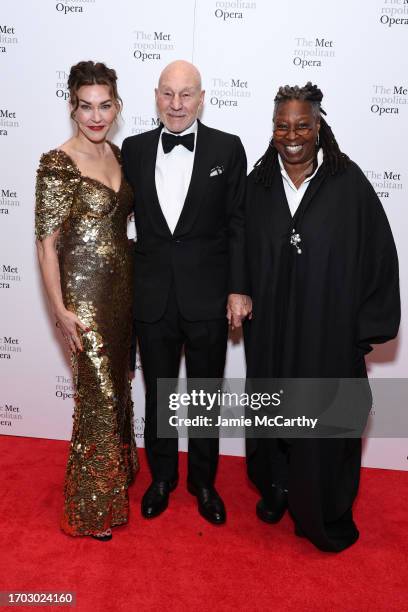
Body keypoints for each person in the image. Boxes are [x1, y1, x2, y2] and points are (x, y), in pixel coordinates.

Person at [244, 82, 400, 552]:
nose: (292, 134)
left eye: (302, 125)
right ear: (272, 130)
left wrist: (363, 329)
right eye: (282, 126)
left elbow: (379, 254)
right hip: (272, 329)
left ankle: (322, 507)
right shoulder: (258, 185)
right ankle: (277, 490)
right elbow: (237, 250)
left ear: (319, 127)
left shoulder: (347, 183)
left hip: (326, 331)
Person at [122, 60, 251, 524]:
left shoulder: (227, 148)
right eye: (168, 94)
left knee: (202, 396)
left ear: (201, 97)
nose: (177, 105)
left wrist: (239, 289)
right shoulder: (132, 149)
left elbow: (239, 224)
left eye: (186, 94)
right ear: (155, 96)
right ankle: (161, 479)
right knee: (159, 394)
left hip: (207, 296)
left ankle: (203, 482)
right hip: (152, 295)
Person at [35, 61, 138, 541]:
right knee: (97, 394)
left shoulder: (119, 155)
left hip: (123, 292)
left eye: (104, 106)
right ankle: (90, 506)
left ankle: (115, 480)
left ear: (116, 107)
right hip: (84, 297)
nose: (95, 117)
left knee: (117, 386)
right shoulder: (59, 161)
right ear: (72, 106)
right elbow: (46, 242)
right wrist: (59, 309)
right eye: (85, 106)